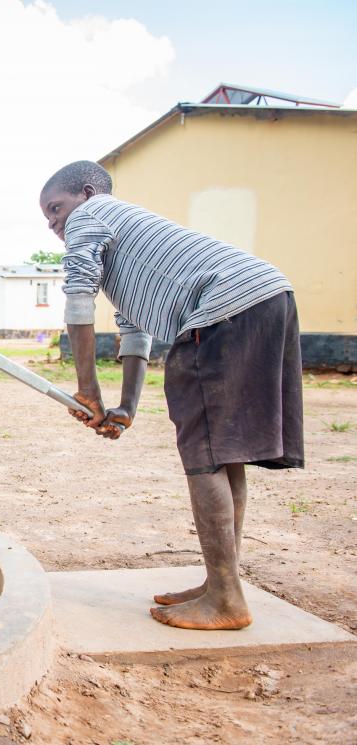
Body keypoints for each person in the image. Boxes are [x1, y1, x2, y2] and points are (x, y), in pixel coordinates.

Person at [40, 161, 303, 631]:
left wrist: (87, 391)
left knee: (204, 455)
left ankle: (225, 600)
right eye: (49, 219)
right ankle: (222, 583)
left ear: (85, 193)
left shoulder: (92, 215)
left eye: (56, 209)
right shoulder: (129, 239)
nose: (55, 225)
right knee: (225, 455)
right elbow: (135, 331)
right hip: (267, 295)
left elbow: (78, 299)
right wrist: (126, 408)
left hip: (225, 307)